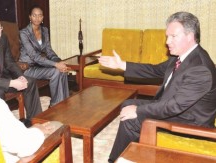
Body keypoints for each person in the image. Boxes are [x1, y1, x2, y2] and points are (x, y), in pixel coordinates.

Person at [98, 11, 216, 162]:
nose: (167, 41)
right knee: (128, 104)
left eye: (173, 36)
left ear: (190, 36)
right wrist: (122, 65)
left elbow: (174, 106)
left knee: (131, 119)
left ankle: (115, 160)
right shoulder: (183, 56)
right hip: (180, 110)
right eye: (167, 36)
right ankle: (136, 151)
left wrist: (139, 111)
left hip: (190, 122)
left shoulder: (200, 68)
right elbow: (155, 70)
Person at [19, 5, 69, 107]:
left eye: (40, 15)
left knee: (62, 70)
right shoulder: (24, 33)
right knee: (55, 71)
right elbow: (34, 56)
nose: (37, 18)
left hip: (40, 65)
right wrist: (55, 64)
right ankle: (55, 105)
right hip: (28, 67)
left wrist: (59, 61)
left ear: (43, 17)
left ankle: (65, 102)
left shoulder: (44, 30)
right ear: (30, 17)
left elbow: (49, 51)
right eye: (34, 15)